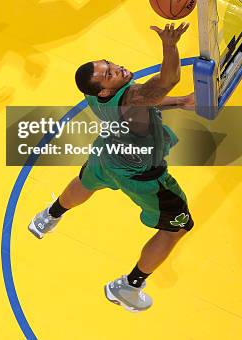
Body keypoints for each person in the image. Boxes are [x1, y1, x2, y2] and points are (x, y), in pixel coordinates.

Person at [29, 22, 194, 312]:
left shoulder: (93, 94)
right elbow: (163, 83)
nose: (116, 68)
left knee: (86, 180)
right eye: (108, 74)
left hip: (110, 151)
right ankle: (129, 286)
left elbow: (146, 101)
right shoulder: (129, 97)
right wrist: (169, 44)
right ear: (104, 91)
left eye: (110, 64)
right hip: (142, 175)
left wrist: (180, 103)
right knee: (176, 228)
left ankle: (48, 217)